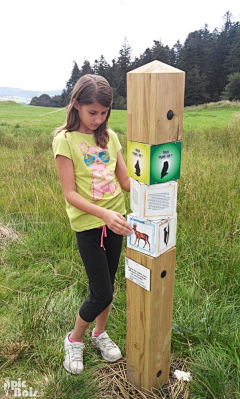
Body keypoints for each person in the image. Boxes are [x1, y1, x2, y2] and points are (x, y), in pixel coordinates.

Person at [52, 74, 132, 375]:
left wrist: (154, 179)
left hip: (117, 222)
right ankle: (75, 339)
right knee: (102, 292)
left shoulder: (110, 137)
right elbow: (70, 194)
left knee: (107, 285)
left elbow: (124, 182)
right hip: (89, 225)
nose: (98, 119)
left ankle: (100, 334)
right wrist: (103, 215)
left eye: (104, 113)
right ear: (76, 104)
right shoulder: (65, 140)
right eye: (92, 112)